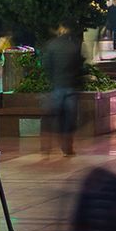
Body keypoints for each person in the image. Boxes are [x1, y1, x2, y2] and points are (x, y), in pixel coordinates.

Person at [42, 21, 84, 156]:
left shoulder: (51, 45)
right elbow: (79, 67)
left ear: (61, 29)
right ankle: (67, 147)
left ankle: (46, 147)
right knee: (69, 119)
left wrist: (52, 80)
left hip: (57, 86)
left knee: (53, 116)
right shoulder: (74, 46)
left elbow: (46, 66)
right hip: (71, 87)